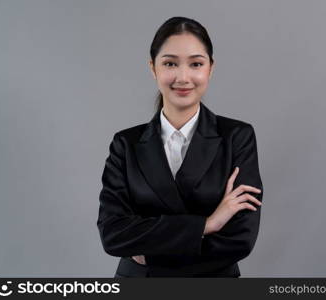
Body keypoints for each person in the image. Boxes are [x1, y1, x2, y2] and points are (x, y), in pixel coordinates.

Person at [97, 16, 263, 277]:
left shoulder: (236, 137)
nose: (183, 77)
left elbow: (240, 238)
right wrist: (207, 224)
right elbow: (112, 234)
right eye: (170, 63)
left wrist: (149, 251)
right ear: (153, 68)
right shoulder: (125, 144)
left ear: (210, 68)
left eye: (196, 64)